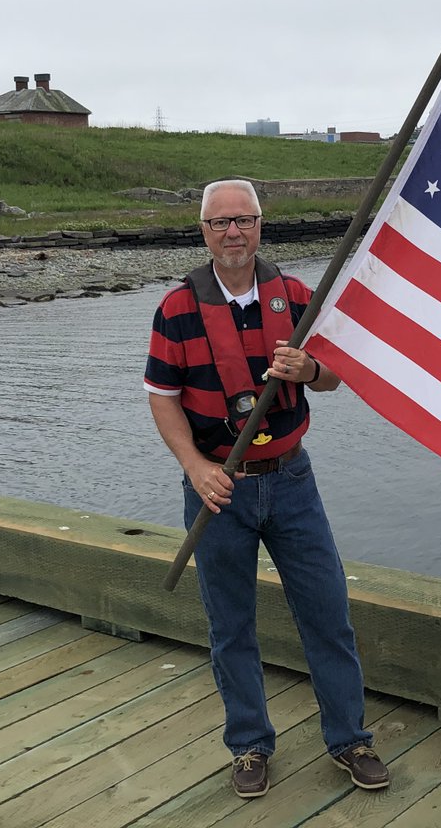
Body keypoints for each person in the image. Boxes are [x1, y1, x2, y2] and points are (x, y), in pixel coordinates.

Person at [144, 178, 390, 800]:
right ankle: (249, 745)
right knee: (231, 625)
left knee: (327, 613)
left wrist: (311, 368)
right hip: (218, 488)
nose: (234, 232)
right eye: (221, 222)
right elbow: (162, 398)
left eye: (244, 220)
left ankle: (350, 739)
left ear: (260, 226)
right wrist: (194, 467)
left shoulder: (298, 297)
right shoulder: (176, 309)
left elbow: (335, 375)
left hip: (291, 481)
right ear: (204, 232)